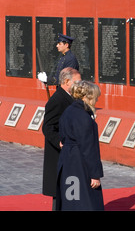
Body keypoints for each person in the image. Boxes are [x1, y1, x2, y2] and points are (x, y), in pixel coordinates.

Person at [56, 80, 104, 211]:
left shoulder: (69, 111)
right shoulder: (83, 117)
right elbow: (89, 149)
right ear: (87, 97)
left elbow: (62, 135)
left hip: (67, 160)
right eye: (95, 97)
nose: (97, 100)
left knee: (71, 199)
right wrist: (95, 174)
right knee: (84, 201)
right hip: (80, 164)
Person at [42, 67, 81, 210]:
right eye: (77, 82)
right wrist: (61, 142)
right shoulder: (57, 100)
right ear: (66, 81)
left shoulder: (72, 97)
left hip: (71, 153)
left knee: (70, 192)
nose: (80, 85)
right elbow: (48, 127)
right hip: (60, 154)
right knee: (60, 195)